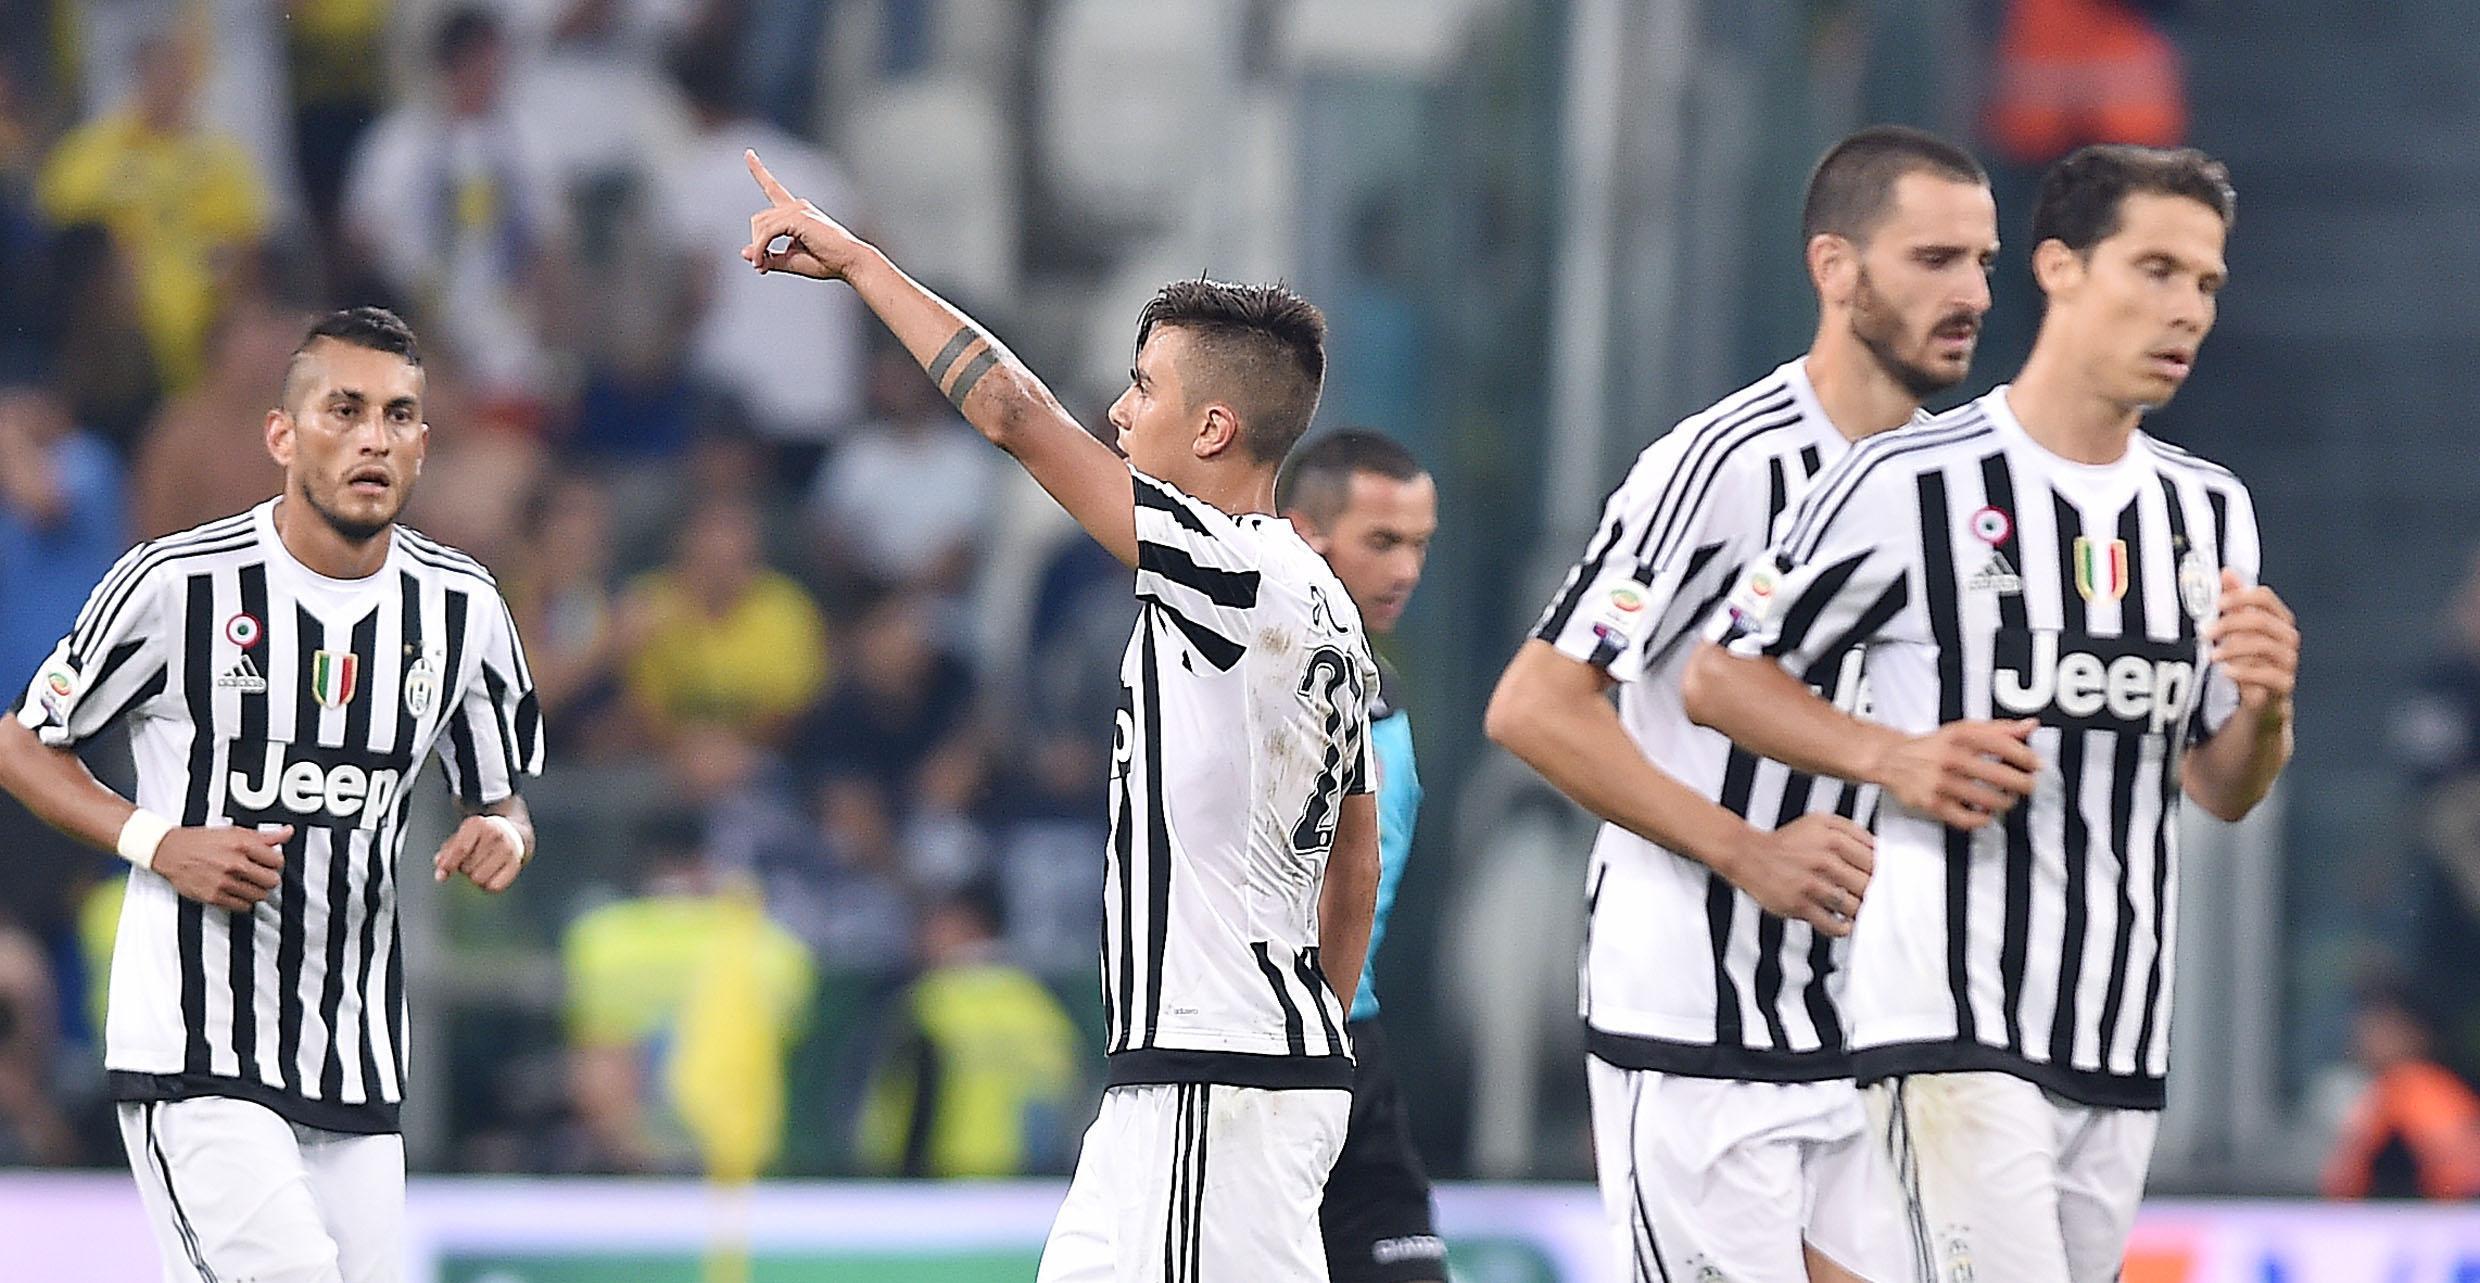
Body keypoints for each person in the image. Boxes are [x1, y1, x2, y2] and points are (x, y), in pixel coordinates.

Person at [741, 151, 1381, 1280]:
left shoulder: (1232, 572)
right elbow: (1356, 858)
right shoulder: (1319, 601)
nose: (1118, 412)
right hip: (1205, 1081)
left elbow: (1009, 412)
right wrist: (1303, 1032)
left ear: (1213, 428)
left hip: (1211, 1081)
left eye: (1142, 387)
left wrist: (861, 264)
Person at [1683, 144, 2296, 1283]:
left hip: (2118, 1029)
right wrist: (1892, 756)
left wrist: (2264, 709)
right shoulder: (1910, 479)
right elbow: (1718, 675)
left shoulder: (2208, 510)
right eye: (2156, 269)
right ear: (2059, 268)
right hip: (1950, 1018)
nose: (2187, 309)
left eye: (2207, 283)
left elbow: (2220, 788)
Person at [1486, 125, 1999, 1283]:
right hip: (1695, 1026)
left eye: (1981, 262)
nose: (1969, 292)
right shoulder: (1720, 464)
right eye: (1932, 259)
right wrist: (1747, 850)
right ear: (1835, 268)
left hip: (1869, 1030)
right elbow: (1535, 703)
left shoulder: (1958, 487)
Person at [0, 307, 544, 1281]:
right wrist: (159, 840)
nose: (373, 437)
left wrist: (502, 832)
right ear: (282, 435)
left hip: (358, 1067)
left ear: (423, 444)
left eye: (399, 415)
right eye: (344, 409)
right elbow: (22, 743)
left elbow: (499, 797)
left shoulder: (461, 608)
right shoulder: (177, 584)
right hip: (198, 1053)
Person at [1278, 430, 1445, 1283]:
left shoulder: (1383, 688)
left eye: (1419, 544)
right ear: (1306, 534)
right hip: (1264, 1055)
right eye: (1382, 541)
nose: (1406, 569)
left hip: (1353, 1044)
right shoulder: (1258, 684)